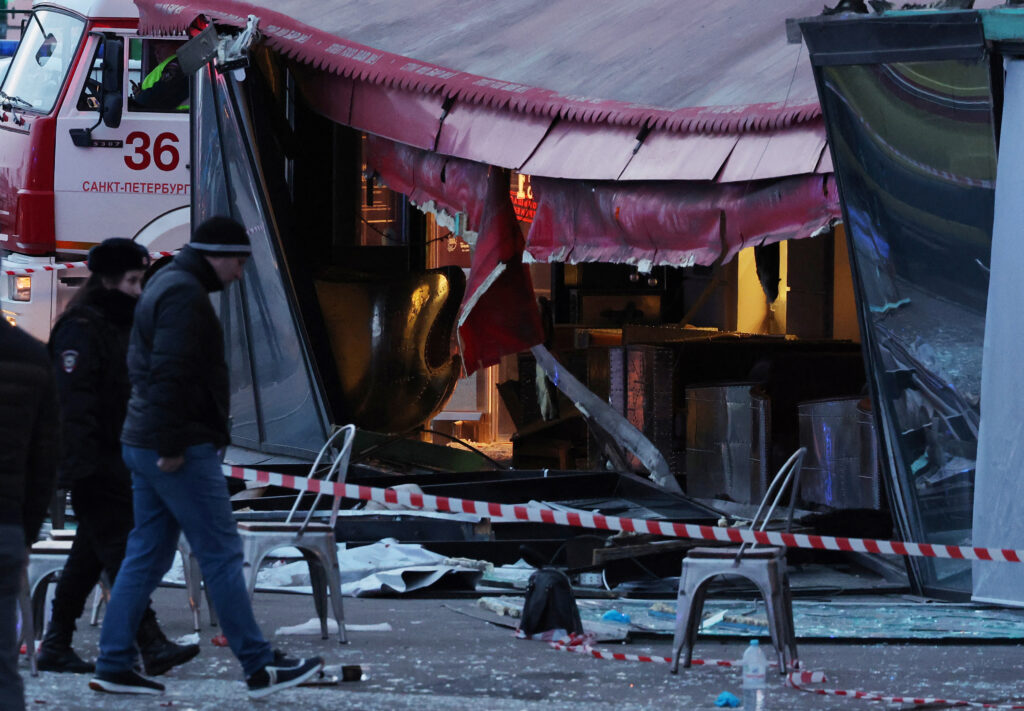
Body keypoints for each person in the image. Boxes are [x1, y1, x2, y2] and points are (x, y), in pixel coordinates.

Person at [90, 217, 323, 698]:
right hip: (176, 446)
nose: (239, 274)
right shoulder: (183, 295)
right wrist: (173, 445)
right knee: (220, 554)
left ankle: (113, 663)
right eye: (238, 263)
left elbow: (150, 368)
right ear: (217, 255)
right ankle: (259, 667)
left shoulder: (167, 284)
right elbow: (169, 373)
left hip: (146, 440)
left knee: (145, 556)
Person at [38, 239, 200, 676]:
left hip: (119, 456)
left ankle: (56, 643)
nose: (137, 289)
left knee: (90, 552)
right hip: (94, 461)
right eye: (131, 280)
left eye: (140, 279)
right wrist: (80, 465)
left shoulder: (118, 324)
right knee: (118, 551)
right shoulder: (81, 328)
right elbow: (73, 404)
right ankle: (150, 642)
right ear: (108, 280)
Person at [0, 320, 59, 710]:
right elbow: (45, 463)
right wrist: (24, 533)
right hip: (4, 526)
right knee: (3, 669)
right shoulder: (33, 355)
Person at [129, 41, 188, 112]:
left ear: (175, 47)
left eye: (162, 47)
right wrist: (141, 94)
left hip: (174, 116)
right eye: (155, 49)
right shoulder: (166, 66)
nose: (157, 52)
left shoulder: (176, 65)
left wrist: (141, 98)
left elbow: (162, 93)